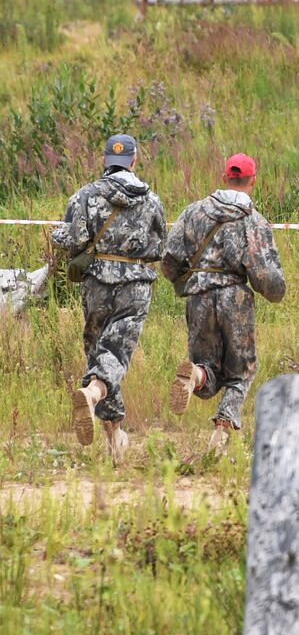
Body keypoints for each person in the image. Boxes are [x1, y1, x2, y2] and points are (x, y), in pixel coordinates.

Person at [163, 153, 286, 456]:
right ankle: (221, 433)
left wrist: (188, 281)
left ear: (224, 178)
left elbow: (169, 260)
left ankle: (196, 376)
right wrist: (275, 292)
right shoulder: (252, 220)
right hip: (235, 298)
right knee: (241, 371)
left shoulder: (193, 212)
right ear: (253, 180)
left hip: (199, 297)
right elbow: (265, 275)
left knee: (207, 365)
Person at [52, 134, 165, 464]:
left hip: (97, 284)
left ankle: (115, 438)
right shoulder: (152, 200)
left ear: (106, 161)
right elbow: (160, 247)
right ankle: (91, 394)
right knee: (115, 354)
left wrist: (59, 233)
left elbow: (71, 238)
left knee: (101, 352)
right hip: (136, 286)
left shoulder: (85, 195)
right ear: (134, 160)